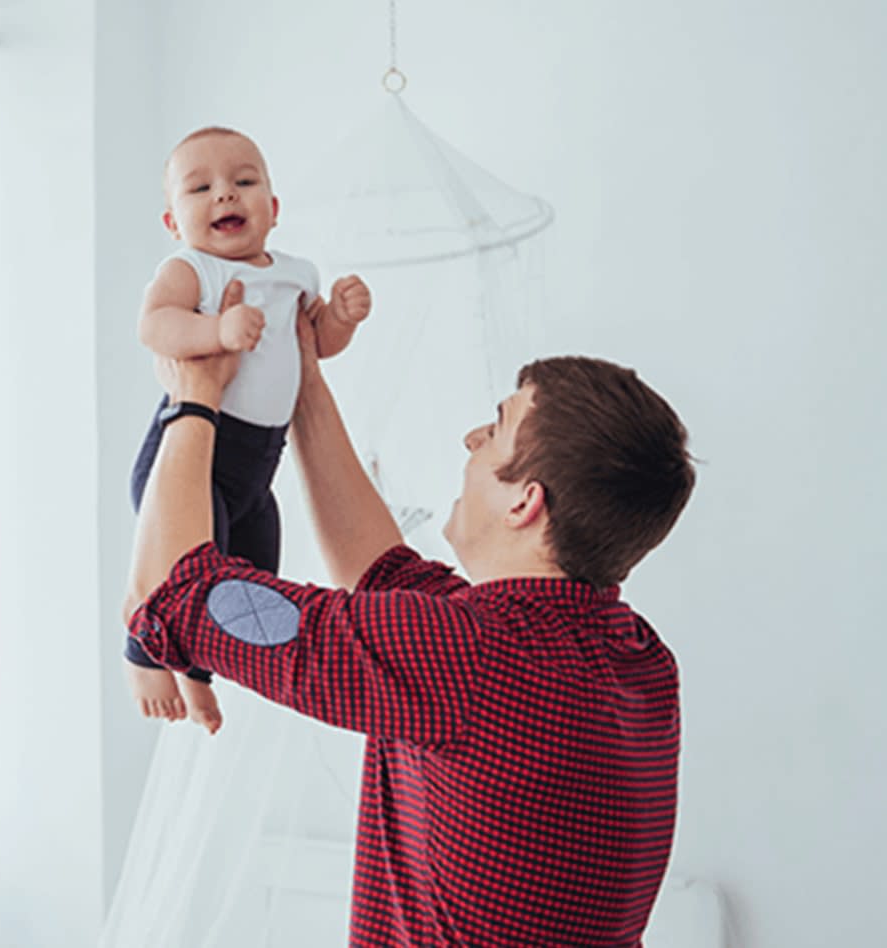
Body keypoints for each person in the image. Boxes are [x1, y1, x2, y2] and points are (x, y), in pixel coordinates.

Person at [122, 307, 696, 944]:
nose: (471, 439)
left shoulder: (468, 655)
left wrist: (193, 397)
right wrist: (303, 377)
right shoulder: (635, 659)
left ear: (524, 501)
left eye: (496, 429)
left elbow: (170, 590)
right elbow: (380, 570)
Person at [125, 126, 372, 734]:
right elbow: (155, 326)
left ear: (274, 208)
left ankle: (199, 674)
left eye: (243, 181)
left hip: (259, 468)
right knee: (176, 573)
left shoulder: (296, 274)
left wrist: (340, 318)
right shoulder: (192, 270)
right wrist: (216, 334)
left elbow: (316, 346)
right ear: (172, 220)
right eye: (200, 188)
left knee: (253, 587)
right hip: (193, 456)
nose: (224, 196)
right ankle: (142, 654)